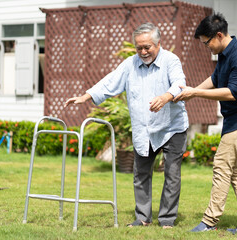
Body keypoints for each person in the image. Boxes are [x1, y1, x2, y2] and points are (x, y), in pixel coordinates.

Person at [65, 22, 189, 229]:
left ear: (158, 44)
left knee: (172, 173)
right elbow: (110, 81)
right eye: (138, 47)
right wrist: (85, 96)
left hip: (171, 127)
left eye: (147, 47)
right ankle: (143, 217)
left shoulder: (171, 60)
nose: (142, 51)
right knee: (140, 174)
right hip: (144, 129)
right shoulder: (130, 64)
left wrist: (166, 97)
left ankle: (167, 219)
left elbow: (179, 83)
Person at [173, 13, 237, 234]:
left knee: (222, 168)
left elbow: (234, 92)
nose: (207, 47)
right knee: (236, 172)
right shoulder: (225, 54)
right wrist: (193, 91)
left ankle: (210, 221)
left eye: (207, 43)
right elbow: (215, 79)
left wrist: (196, 93)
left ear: (219, 35)